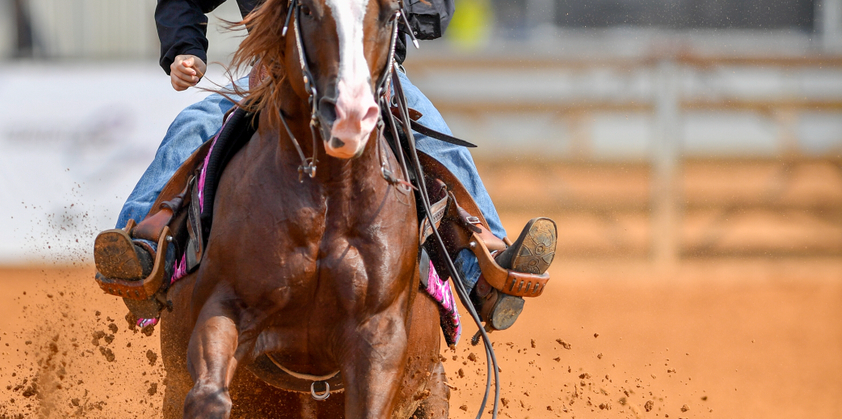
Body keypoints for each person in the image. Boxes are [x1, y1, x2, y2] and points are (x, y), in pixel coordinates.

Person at [94, 0, 556, 331]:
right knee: (193, 126)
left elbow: (437, 7)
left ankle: (486, 270)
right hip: (274, 73)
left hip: (371, 77)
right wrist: (185, 49)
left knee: (440, 144)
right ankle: (142, 251)